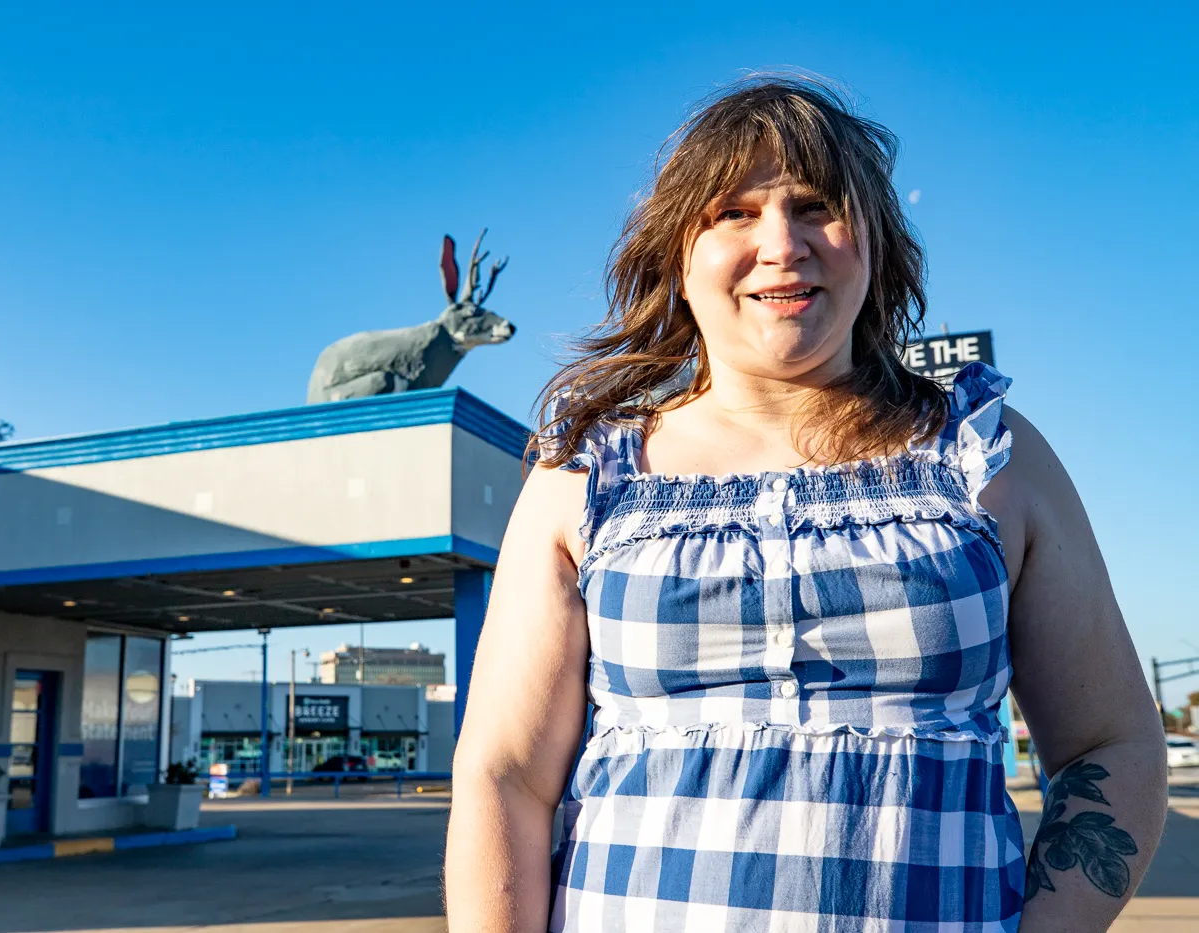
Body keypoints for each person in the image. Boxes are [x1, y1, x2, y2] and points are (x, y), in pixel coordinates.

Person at [445, 75, 1168, 932]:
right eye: (736, 212)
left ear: (876, 242)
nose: (782, 244)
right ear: (679, 253)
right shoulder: (583, 475)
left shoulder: (993, 461)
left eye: (817, 204)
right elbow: (506, 776)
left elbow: (1110, 745)